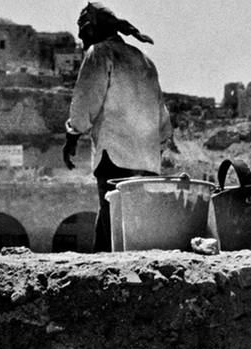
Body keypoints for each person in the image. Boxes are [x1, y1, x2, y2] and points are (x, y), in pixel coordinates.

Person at [63, 3, 173, 252]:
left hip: (114, 158)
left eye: (82, 28)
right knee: (137, 230)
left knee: (112, 226)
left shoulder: (99, 53)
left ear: (93, 28)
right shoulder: (145, 61)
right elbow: (163, 119)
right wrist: (156, 149)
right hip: (147, 164)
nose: (79, 36)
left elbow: (85, 102)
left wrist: (72, 134)